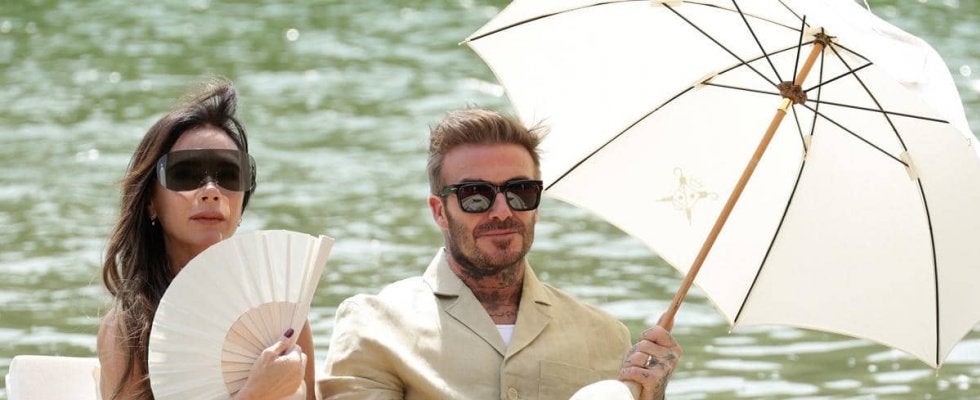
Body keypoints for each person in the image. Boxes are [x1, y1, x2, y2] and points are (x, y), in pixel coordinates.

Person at [319, 108, 681, 400]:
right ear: (439, 211)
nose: (502, 211)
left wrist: (648, 393)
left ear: (536, 205)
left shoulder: (606, 337)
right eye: (475, 196)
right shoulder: (374, 325)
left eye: (520, 192)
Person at [97, 79, 315, 400]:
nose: (211, 191)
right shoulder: (126, 330)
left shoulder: (281, 310)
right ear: (150, 201)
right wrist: (255, 394)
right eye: (185, 174)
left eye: (229, 174)